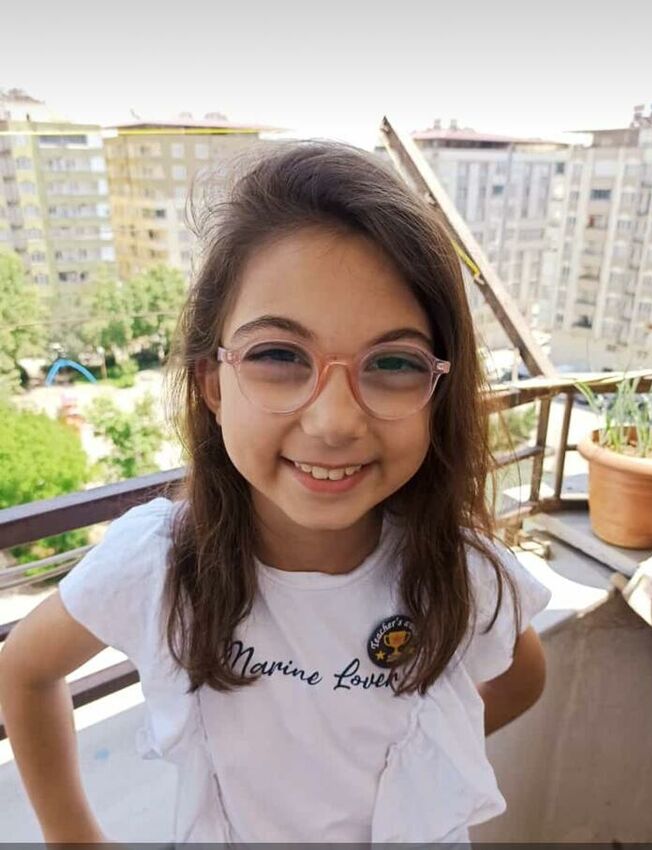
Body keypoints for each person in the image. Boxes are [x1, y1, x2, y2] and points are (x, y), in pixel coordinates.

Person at [0, 140, 552, 844]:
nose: (333, 421)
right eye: (279, 355)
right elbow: (24, 671)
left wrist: (423, 758)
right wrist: (74, 837)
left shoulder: (459, 568)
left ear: (438, 392)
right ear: (212, 384)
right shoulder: (158, 564)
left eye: (392, 363)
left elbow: (523, 678)